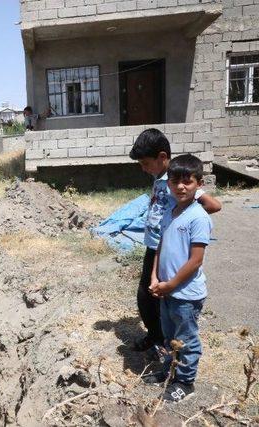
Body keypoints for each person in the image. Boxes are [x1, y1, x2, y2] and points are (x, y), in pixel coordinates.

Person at [128, 129, 221, 352]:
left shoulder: (177, 179)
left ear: (162, 157)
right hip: (154, 246)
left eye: (145, 163)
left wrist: (184, 217)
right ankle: (156, 336)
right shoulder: (161, 177)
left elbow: (214, 205)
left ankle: (162, 341)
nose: (143, 168)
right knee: (149, 294)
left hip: (165, 247)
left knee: (151, 296)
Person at [143, 154, 213, 402]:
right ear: (168, 183)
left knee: (186, 340)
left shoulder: (198, 217)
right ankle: (169, 371)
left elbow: (195, 260)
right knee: (169, 336)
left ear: (199, 184)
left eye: (188, 181)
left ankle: (185, 382)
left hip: (186, 294)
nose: (181, 187)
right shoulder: (170, 212)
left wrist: (171, 283)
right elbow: (160, 245)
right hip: (167, 290)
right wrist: (154, 276)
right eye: (175, 182)